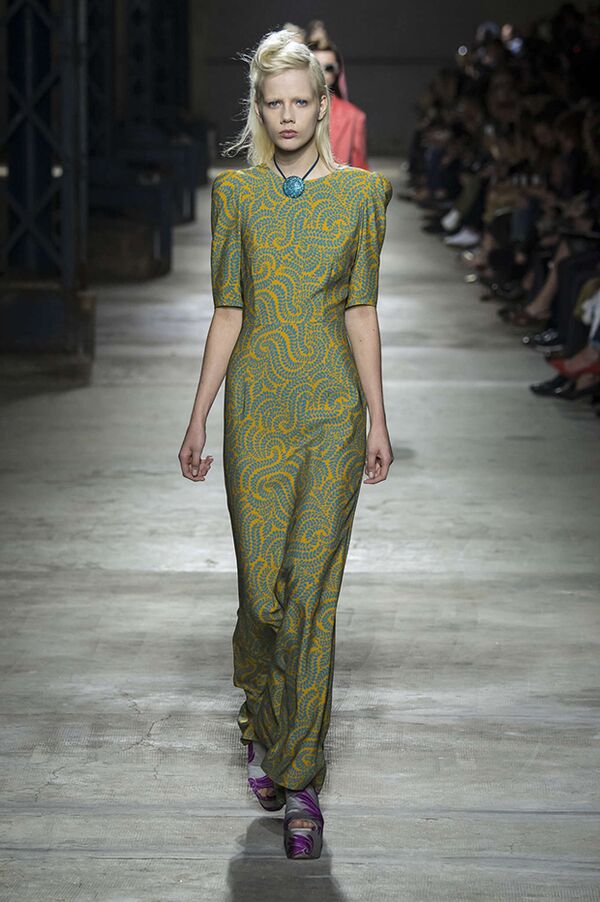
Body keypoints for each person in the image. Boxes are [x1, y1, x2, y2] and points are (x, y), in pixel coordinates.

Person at [178, 28, 394, 860]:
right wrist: (198, 414)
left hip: (332, 417)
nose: (289, 115)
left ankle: (300, 779)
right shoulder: (237, 197)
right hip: (256, 416)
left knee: (311, 594)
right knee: (262, 596)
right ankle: (261, 716)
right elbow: (228, 311)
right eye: (274, 103)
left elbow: (361, 311)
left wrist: (378, 417)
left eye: (302, 100)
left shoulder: (362, 198)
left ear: (323, 103)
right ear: (259, 110)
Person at [312, 42, 369, 169]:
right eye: (316, 67)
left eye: (329, 68)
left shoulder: (354, 116)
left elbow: (359, 167)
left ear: (337, 71)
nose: (322, 73)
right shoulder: (288, 110)